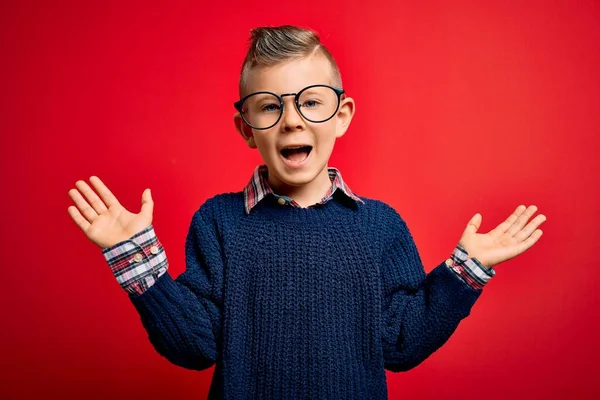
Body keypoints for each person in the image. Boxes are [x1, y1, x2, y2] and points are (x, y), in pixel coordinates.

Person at [67, 25, 547, 399]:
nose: (293, 119)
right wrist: (138, 264)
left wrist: (465, 271)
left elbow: (401, 343)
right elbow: (195, 347)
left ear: (342, 115)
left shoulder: (380, 226)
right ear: (246, 128)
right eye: (269, 106)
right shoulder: (218, 222)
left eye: (311, 102)